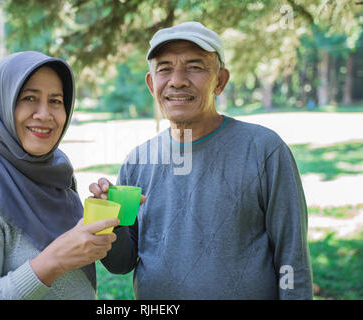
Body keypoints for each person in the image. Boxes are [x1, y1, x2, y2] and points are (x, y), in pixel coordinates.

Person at [90, 22, 313, 299]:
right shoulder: (138, 161)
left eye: (195, 67)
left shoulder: (264, 150)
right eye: (165, 69)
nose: (178, 80)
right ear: (151, 84)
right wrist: (110, 224)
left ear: (220, 81)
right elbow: (122, 262)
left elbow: (292, 256)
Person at [0, 51, 119, 299]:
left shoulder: (57, 180)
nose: (44, 114)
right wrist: (52, 262)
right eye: (29, 98)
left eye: (55, 101)